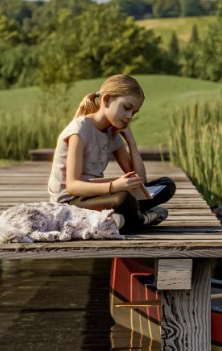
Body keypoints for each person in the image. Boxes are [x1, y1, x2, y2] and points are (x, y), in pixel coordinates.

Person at [47, 74, 175, 232]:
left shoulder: (112, 132)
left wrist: (131, 142)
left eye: (134, 113)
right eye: (126, 108)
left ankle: (121, 218)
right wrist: (114, 186)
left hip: (97, 196)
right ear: (106, 100)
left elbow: (140, 180)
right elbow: (73, 187)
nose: (129, 116)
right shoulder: (79, 130)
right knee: (123, 199)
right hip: (71, 205)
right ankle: (142, 219)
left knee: (166, 185)